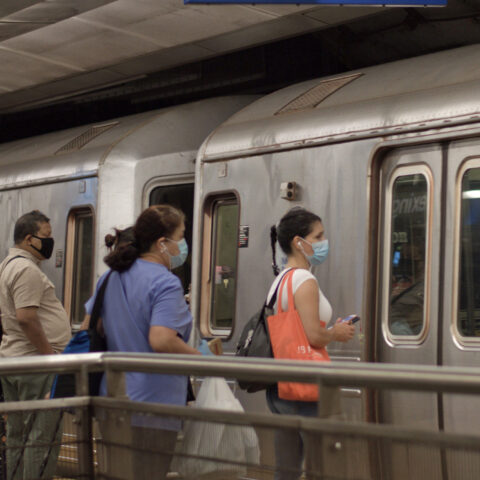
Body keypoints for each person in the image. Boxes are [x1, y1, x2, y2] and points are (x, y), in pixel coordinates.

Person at [85, 205, 210, 479]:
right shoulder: (166, 283)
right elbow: (161, 339)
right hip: (153, 402)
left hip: (112, 398)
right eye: (181, 236)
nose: (183, 245)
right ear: (162, 243)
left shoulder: (109, 277)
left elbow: (93, 326)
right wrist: (201, 359)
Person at [268, 207, 355, 480]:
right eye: (318, 237)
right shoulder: (305, 280)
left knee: (288, 465)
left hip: (282, 381)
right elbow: (313, 337)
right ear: (298, 242)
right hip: (305, 380)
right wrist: (336, 333)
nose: (322, 242)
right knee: (322, 462)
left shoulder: (281, 279)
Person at [0, 210, 71, 480]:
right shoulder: (26, 269)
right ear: (30, 239)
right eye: (47, 236)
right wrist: (50, 357)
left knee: (19, 436)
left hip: (17, 360)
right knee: (41, 438)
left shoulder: (8, 265)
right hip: (35, 365)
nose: (51, 242)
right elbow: (27, 318)